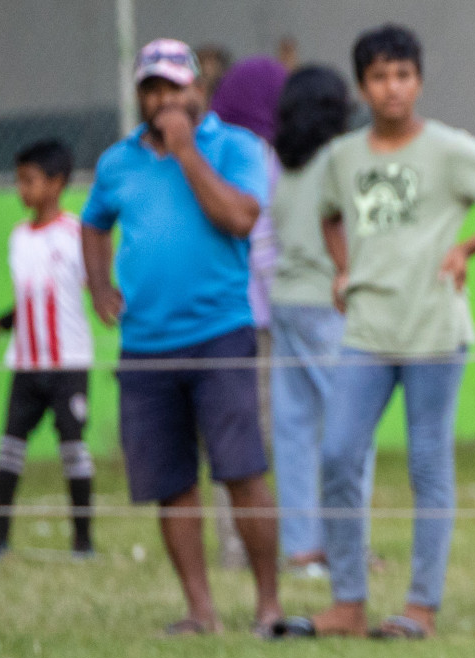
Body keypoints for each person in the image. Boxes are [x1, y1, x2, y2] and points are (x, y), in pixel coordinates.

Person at [275, 24, 475, 640]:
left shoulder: (449, 148)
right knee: (339, 454)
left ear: (418, 82)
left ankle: (420, 607)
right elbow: (326, 214)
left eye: (402, 75)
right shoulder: (342, 157)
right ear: (363, 87)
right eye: (379, 77)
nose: (392, 88)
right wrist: (343, 269)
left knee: (428, 466)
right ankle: (347, 603)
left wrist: (466, 249)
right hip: (367, 332)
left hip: (433, 333)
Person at [81, 39, 281, 636]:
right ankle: (200, 610)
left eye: (174, 87)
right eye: (151, 89)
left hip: (220, 335)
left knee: (241, 472)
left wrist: (186, 151)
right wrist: (98, 287)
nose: (163, 99)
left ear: (198, 88)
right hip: (145, 345)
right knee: (171, 483)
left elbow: (241, 218)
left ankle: (268, 605)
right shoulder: (118, 161)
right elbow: (92, 223)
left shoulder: (236, 147)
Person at [267, 64, 367, 575]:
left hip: (283, 300)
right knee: (350, 428)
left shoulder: (283, 164)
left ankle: (303, 547)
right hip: (329, 302)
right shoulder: (342, 158)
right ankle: (348, 546)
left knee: (294, 430)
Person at [0, 139, 95, 561]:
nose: (22, 189)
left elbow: (93, 287)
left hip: (68, 363)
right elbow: (28, 298)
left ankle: (84, 542)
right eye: (18, 181)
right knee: (10, 449)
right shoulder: (18, 238)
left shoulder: (76, 233)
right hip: (26, 365)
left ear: (57, 183)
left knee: (73, 449)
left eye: (30, 180)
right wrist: (0, 325)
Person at [208, 56, 289, 571]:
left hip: (233, 316)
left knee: (235, 436)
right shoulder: (255, 153)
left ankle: (245, 545)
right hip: (261, 319)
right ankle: (248, 547)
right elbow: (261, 243)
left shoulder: (216, 150)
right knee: (253, 436)